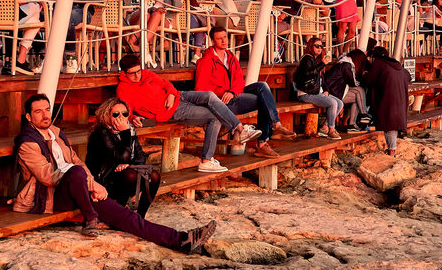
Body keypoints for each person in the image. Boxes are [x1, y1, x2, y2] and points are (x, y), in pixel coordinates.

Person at [13, 94, 216, 252]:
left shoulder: (57, 134)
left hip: (80, 188)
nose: (45, 114)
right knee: (75, 173)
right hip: (51, 197)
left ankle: (182, 240)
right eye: (38, 112)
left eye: (47, 109)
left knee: (126, 217)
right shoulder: (27, 142)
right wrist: (92, 185)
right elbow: (49, 176)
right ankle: (91, 218)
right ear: (29, 117)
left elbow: (78, 162)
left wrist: (90, 183)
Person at [116, 53, 260, 173]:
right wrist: (134, 117)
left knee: (209, 95)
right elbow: (126, 111)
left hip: (179, 96)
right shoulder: (123, 89)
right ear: (124, 73)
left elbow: (167, 85)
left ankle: (239, 129)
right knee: (214, 117)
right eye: (132, 73)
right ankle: (206, 160)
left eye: (138, 71)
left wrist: (172, 94)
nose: (137, 75)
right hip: (172, 112)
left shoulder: (147, 74)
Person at [194, 26, 295, 159]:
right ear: (212, 41)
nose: (224, 41)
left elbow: (239, 80)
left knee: (262, 86)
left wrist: (232, 91)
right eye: (219, 39)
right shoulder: (206, 61)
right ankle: (262, 144)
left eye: (225, 37)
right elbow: (200, 88)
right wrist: (224, 93)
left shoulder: (230, 56)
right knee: (263, 101)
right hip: (221, 102)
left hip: (234, 94)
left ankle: (276, 124)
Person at [85, 97, 160, 216]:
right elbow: (122, 157)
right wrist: (125, 132)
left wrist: (129, 165)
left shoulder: (129, 130)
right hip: (103, 180)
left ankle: (140, 216)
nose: (121, 118)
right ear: (106, 115)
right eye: (115, 114)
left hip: (121, 176)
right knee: (130, 175)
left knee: (154, 176)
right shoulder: (101, 132)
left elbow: (140, 156)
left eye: (124, 114)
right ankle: (117, 214)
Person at [362, 45, 411, 156]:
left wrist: (364, 75)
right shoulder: (396, 64)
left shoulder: (379, 64)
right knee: (392, 126)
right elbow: (408, 76)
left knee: (389, 126)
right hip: (399, 100)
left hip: (387, 99)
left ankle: (391, 151)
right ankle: (392, 150)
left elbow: (369, 80)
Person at [294, 36, 343, 140]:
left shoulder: (315, 60)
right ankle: (331, 129)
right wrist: (322, 64)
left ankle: (325, 127)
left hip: (315, 92)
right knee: (333, 103)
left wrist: (325, 90)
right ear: (311, 46)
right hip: (306, 93)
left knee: (340, 103)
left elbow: (321, 79)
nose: (320, 48)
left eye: (321, 46)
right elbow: (308, 74)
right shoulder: (307, 59)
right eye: (317, 46)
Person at [323, 48, 371, 131]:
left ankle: (353, 124)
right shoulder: (347, 65)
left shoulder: (344, 63)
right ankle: (363, 114)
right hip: (334, 92)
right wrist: (363, 77)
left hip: (336, 90)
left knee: (358, 97)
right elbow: (353, 82)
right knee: (359, 90)